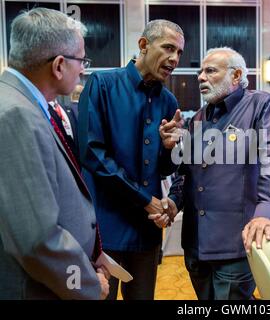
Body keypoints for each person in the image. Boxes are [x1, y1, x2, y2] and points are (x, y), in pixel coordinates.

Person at [163, 47, 270, 300]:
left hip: (234, 242)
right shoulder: (197, 118)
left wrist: (265, 212)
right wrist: (174, 202)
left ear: (236, 75)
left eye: (210, 71)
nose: (200, 77)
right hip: (195, 243)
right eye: (200, 72)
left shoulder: (260, 104)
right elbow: (186, 172)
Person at [0, 8, 109, 299]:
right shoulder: (15, 115)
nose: (83, 69)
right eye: (81, 60)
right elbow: (37, 240)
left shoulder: (24, 105)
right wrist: (86, 284)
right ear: (59, 65)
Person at [77, 19, 185, 300]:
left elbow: (165, 169)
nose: (174, 59)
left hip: (146, 231)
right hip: (105, 227)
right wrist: (144, 199)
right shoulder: (102, 84)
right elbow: (93, 155)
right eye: (169, 48)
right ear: (143, 45)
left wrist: (170, 149)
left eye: (179, 53)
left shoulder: (169, 102)